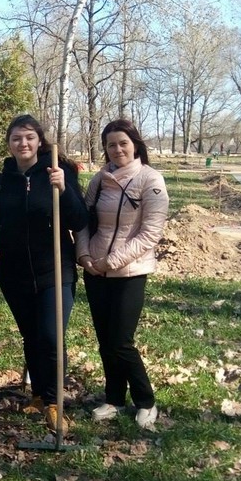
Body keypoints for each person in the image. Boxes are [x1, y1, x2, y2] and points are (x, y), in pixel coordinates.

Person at [0, 115, 87, 427]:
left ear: (39, 140)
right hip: (14, 272)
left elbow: (80, 219)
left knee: (50, 335)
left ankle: (53, 400)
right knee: (31, 335)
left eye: (29, 137)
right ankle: (37, 395)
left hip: (54, 269)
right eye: (17, 138)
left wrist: (65, 189)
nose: (23, 144)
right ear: (9, 142)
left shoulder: (58, 171)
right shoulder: (1, 181)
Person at [76, 118, 169, 429]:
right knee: (105, 340)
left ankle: (146, 400)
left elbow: (150, 233)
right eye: (111, 145)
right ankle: (114, 398)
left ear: (135, 145)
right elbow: (84, 220)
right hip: (94, 270)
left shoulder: (150, 180)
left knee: (121, 341)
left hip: (129, 271)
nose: (117, 150)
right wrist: (85, 254)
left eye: (123, 143)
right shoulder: (99, 180)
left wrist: (111, 261)